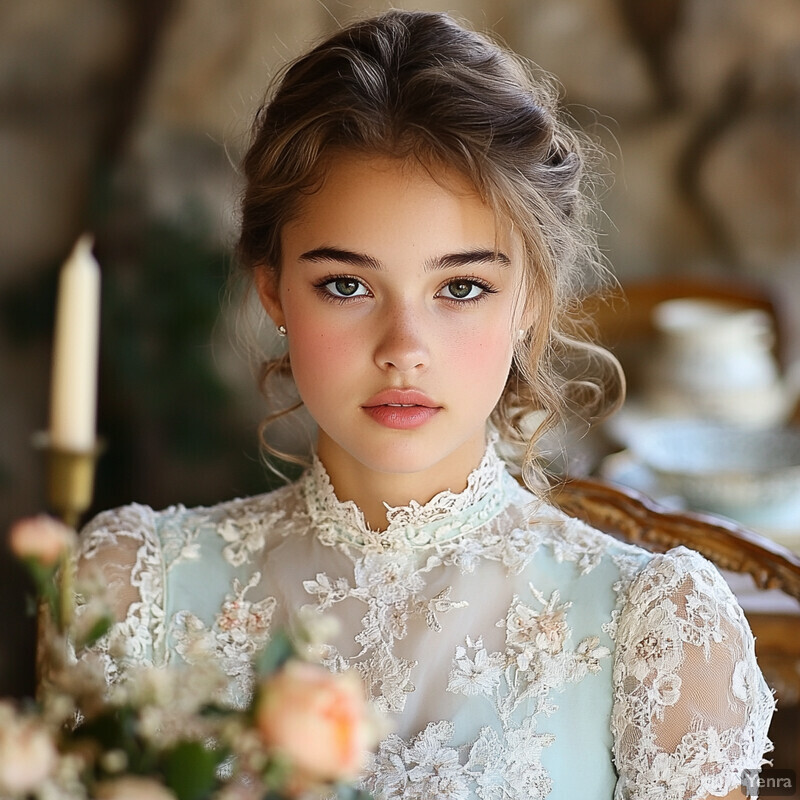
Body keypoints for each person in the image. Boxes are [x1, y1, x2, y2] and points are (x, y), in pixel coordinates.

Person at [75, 10, 775, 799]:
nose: (403, 347)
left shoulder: (657, 632)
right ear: (272, 289)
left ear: (531, 300)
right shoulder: (132, 589)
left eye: (461, 287)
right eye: (347, 285)